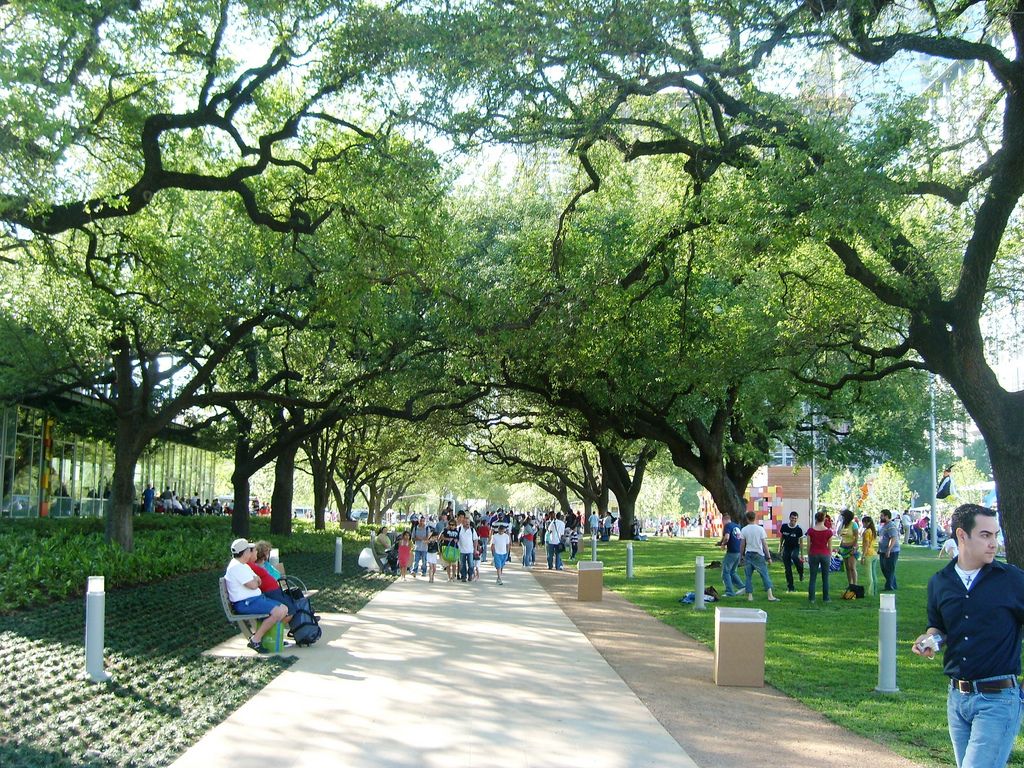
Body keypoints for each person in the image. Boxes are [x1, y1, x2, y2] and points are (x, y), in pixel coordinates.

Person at [913, 504, 1024, 768]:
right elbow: (938, 627)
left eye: (995, 535)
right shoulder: (940, 582)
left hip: (998, 700)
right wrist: (930, 641)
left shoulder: (1013, 581)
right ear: (962, 535)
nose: (993, 543)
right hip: (957, 700)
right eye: (985, 535)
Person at [224, 538, 288, 654]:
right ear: (244, 552)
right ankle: (255, 640)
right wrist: (256, 581)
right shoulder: (236, 567)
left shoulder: (243, 565)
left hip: (255, 600)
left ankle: (270, 637)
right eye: (249, 550)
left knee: (284, 609)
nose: (251, 552)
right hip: (246, 603)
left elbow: (258, 580)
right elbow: (254, 585)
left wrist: (256, 581)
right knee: (278, 612)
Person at [739, 512, 780, 602]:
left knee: (748, 576)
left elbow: (742, 544)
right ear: (755, 518)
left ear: (747, 519)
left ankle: (750, 596)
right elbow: (764, 544)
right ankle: (770, 595)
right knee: (764, 575)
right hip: (758, 554)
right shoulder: (760, 529)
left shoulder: (744, 530)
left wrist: (741, 555)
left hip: (748, 554)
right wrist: (768, 557)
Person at [716, 512, 745, 597]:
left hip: (732, 552)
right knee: (732, 571)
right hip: (738, 552)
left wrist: (723, 545)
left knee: (725, 572)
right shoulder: (737, 526)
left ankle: (729, 592)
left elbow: (727, 537)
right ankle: (742, 587)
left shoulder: (727, 526)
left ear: (724, 520)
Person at [806, 511, 833, 603]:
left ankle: (812, 598)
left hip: (813, 553)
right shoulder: (829, 532)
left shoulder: (810, 531)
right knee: (825, 578)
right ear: (824, 519)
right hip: (825, 554)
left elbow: (808, 545)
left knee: (812, 577)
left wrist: (808, 554)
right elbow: (830, 547)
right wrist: (829, 555)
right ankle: (826, 598)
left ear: (816, 519)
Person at [778, 511, 804, 592]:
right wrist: (780, 548)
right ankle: (790, 587)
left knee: (794, 556)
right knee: (788, 569)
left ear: (797, 519)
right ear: (789, 518)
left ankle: (801, 572)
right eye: (792, 518)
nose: (793, 520)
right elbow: (782, 538)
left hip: (795, 548)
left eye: (795, 519)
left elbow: (801, 542)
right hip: (786, 548)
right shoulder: (784, 527)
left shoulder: (799, 529)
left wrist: (802, 555)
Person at [878, 509, 901, 591]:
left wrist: (889, 549)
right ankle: (893, 585)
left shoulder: (891, 525)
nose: (880, 517)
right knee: (884, 568)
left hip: (892, 551)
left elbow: (893, 538)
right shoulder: (884, 525)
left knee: (889, 569)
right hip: (882, 550)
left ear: (887, 516)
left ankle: (889, 586)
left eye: (882, 516)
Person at [836, 508, 859, 587]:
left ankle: (855, 584)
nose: (842, 518)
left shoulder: (854, 524)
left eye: (843, 516)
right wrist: (840, 547)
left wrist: (854, 548)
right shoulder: (843, 525)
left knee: (852, 567)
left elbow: (856, 537)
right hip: (844, 548)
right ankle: (850, 584)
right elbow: (842, 536)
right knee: (847, 568)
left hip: (851, 548)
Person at [860, 515, 879, 596]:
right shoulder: (873, 531)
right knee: (874, 574)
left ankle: (869, 592)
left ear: (867, 523)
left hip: (868, 554)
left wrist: (863, 556)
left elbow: (866, 544)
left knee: (869, 575)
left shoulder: (867, 532)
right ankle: (875, 591)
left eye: (863, 522)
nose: (863, 524)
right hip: (874, 553)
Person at [457, 515, 478, 582]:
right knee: (462, 565)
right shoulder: (459, 529)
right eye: (465, 522)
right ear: (463, 522)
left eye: (468, 522)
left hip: (470, 550)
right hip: (461, 550)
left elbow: (475, 540)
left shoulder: (472, 530)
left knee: (471, 565)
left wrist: (475, 549)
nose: (467, 523)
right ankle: (463, 576)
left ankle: (470, 575)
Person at [491, 521, 511, 585]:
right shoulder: (494, 536)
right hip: (497, 553)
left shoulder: (506, 536)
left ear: (504, 530)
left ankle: (498, 577)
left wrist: (507, 553)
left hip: (504, 553)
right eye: (500, 531)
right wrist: (493, 553)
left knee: (501, 566)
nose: (501, 532)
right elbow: (492, 545)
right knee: (498, 566)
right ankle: (499, 578)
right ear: (498, 530)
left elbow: (507, 545)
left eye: (502, 531)